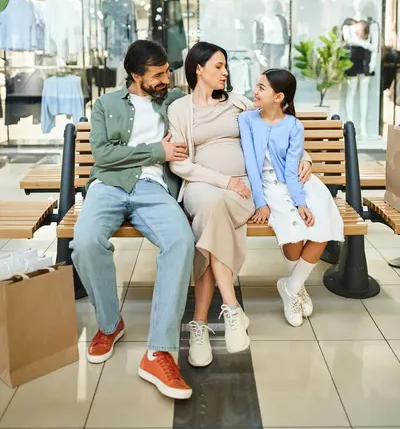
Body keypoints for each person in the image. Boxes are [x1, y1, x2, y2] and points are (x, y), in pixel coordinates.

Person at [167, 43, 312, 368]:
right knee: (211, 207)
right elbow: (179, 164)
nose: (225, 72)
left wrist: (306, 157)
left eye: (226, 66)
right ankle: (231, 307)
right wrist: (224, 181)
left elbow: (278, 127)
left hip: (246, 187)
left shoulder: (238, 104)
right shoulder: (179, 109)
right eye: (218, 66)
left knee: (210, 223)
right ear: (198, 69)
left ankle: (200, 324)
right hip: (202, 185)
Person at [70, 40, 195, 400]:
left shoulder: (173, 102)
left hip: (153, 187)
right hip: (108, 185)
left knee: (181, 241)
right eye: (156, 75)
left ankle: (159, 350)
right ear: (134, 75)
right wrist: (158, 150)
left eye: (166, 72)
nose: (164, 80)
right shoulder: (106, 105)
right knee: (86, 241)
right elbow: (103, 156)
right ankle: (110, 324)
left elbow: (209, 105)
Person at [239, 68, 344, 328]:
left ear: (278, 97)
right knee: (293, 232)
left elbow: (290, 168)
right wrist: (260, 202)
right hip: (267, 187)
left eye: (262, 87)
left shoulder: (294, 125)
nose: (256, 91)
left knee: (319, 226)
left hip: (300, 184)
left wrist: (301, 202)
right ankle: (295, 288)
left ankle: (292, 286)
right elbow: (252, 165)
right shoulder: (247, 119)